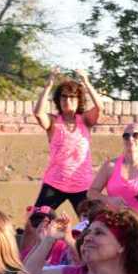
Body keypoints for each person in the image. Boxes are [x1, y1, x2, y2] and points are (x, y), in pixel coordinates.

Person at [32, 69, 103, 213]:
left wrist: (86, 83)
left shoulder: (85, 120)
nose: (67, 101)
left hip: (82, 185)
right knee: (37, 220)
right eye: (63, 97)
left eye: (72, 97)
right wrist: (48, 86)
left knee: (90, 223)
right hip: (54, 183)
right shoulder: (53, 122)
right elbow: (38, 113)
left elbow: (100, 108)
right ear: (58, 100)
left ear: (79, 101)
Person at [88, 123, 138, 229]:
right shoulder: (110, 166)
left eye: (135, 135)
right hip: (114, 226)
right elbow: (91, 193)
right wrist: (108, 200)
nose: (130, 138)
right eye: (126, 136)